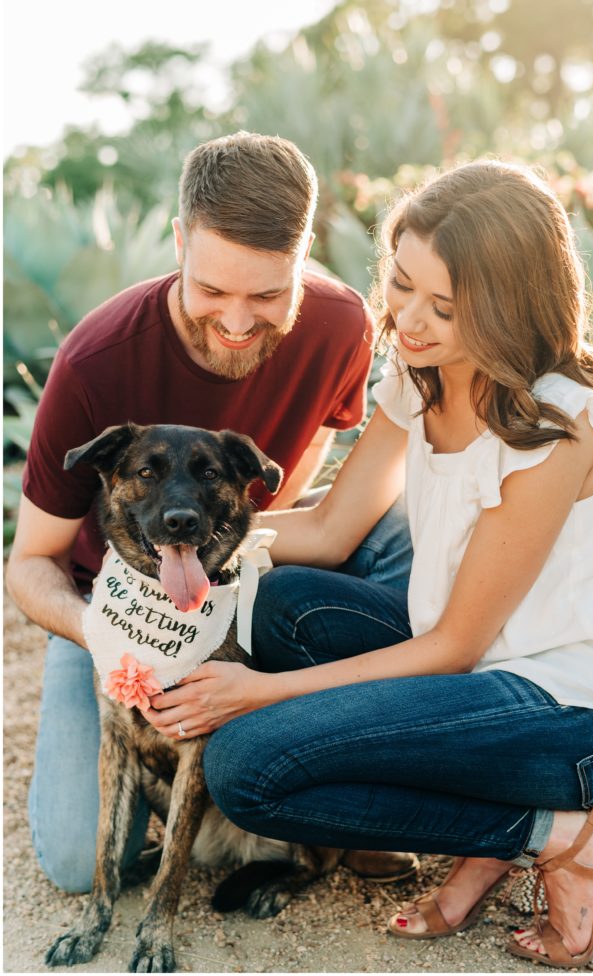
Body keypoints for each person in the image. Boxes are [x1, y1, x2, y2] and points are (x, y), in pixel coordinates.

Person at [142, 160, 593, 969]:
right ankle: (499, 812)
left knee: (246, 766)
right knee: (281, 603)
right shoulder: (418, 372)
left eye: (446, 306)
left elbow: (454, 648)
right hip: (491, 661)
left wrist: (258, 694)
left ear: (507, 306)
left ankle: (559, 834)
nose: (411, 320)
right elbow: (327, 530)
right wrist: (177, 545)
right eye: (400, 284)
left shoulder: (557, 426)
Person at [6, 131, 414, 893]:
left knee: (406, 522)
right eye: (212, 290)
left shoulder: (338, 325)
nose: (236, 321)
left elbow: (304, 461)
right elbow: (29, 562)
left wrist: (238, 573)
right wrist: (106, 632)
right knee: (75, 861)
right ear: (179, 241)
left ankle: (361, 796)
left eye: (267, 295)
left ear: (304, 258)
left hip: (233, 576)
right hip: (111, 601)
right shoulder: (95, 361)